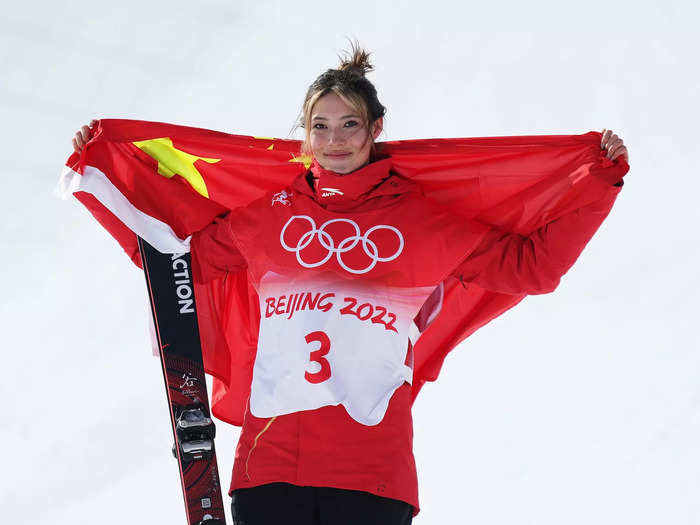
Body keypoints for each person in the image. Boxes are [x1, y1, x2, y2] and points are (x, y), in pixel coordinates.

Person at [72, 43, 628, 525]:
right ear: (304, 134)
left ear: (376, 128)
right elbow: (173, 268)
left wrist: (598, 184)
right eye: (320, 126)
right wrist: (105, 182)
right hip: (268, 468)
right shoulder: (268, 217)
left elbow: (531, 266)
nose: (334, 141)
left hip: (371, 473)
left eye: (349, 125)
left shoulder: (419, 219)